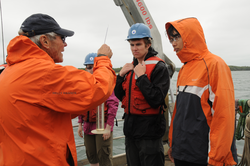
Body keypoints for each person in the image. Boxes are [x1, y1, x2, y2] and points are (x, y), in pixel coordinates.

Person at [0, 13, 116, 166]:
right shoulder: (43, 73)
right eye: (62, 38)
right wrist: (103, 59)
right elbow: (98, 88)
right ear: (45, 41)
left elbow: (46, 112)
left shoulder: (8, 72)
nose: (65, 44)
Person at [165, 17, 237, 166]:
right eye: (171, 39)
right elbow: (179, 112)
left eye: (177, 37)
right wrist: (173, 143)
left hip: (203, 155)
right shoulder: (184, 69)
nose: (173, 43)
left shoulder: (215, 65)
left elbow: (223, 116)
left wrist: (216, 158)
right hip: (183, 152)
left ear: (190, 36)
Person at [114, 23, 170, 166]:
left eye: (138, 44)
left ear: (148, 44)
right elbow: (121, 96)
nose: (134, 48)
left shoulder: (159, 67)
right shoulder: (130, 68)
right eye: (131, 45)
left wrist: (142, 78)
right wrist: (120, 76)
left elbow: (156, 99)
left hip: (150, 132)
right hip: (131, 131)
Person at [77, 53, 119, 166]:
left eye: (94, 67)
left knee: (104, 157)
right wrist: (80, 124)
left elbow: (113, 105)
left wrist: (108, 128)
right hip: (87, 126)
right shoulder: (83, 84)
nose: (91, 70)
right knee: (92, 157)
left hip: (102, 126)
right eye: (88, 67)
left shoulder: (106, 84)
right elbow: (81, 105)